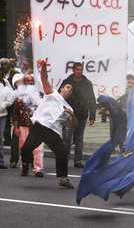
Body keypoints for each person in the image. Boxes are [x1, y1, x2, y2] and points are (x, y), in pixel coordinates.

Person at [21, 59, 76, 188]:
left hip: (53, 131)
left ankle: (63, 179)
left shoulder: (69, 108)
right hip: (40, 125)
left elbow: (74, 125)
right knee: (26, 148)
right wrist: (44, 67)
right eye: (68, 87)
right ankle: (25, 164)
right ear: (62, 88)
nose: (69, 90)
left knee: (62, 152)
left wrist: (72, 115)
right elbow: (44, 78)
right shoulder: (53, 94)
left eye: (71, 90)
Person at [59, 62, 96, 168]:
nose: (79, 72)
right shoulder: (67, 81)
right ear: (73, 70)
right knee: (67, 139)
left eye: (81, 70)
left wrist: (92, 116)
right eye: (77, 70)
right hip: (69, 115)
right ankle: (64, 159)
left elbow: (92, 99)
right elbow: (59, 95)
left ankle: (78, 161)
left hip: (82, 114)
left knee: (79, 138)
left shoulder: (87, 83)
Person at [12, 73, 44, 177]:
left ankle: (38, 169)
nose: (30, 82)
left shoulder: (40, 96)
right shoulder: (19, 97)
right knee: (24, 147)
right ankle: (25, 167)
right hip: (23, 125)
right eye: (28, 81)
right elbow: (15, 113)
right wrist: (16, 127)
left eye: (31, 81)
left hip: (37, 126)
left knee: (38, 148)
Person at [0, 64, 15, 169]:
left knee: (0, 138)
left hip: (2, 114)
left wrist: (5, 104)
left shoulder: (5, 82)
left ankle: (0, 161)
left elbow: (12, 95)